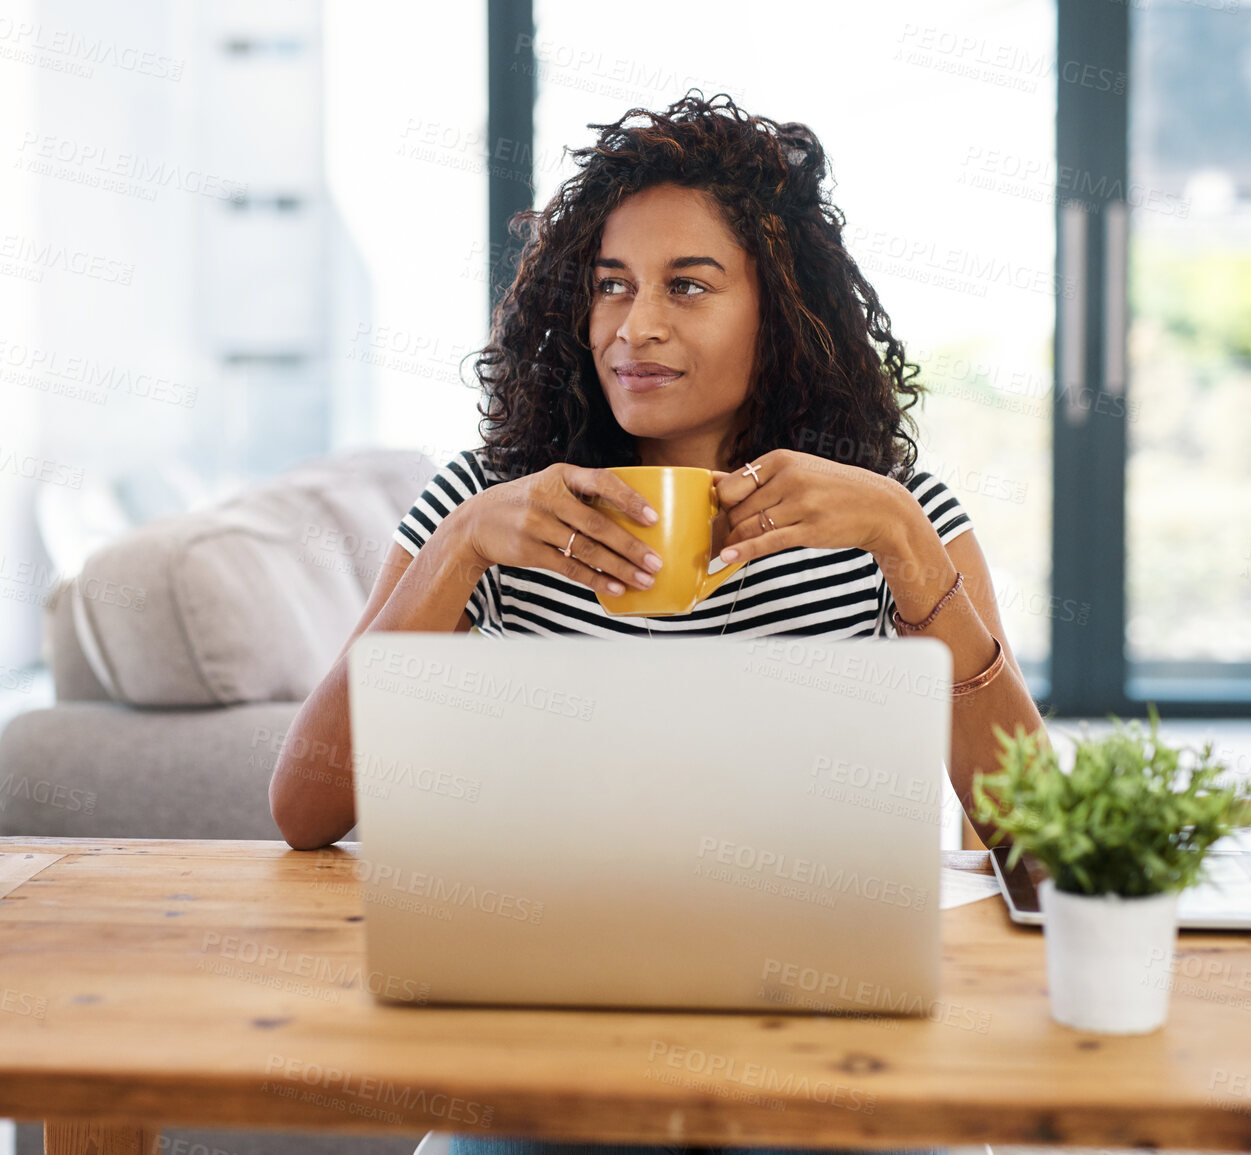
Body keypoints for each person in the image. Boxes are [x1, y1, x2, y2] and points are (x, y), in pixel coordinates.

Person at [268, 91, 1047, 1155]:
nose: (635, 327)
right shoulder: (489, 506)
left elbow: (1040, 852)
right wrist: (457, 551)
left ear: (780, 309)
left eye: (688, 286)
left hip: (822, 1057)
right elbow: (306, 809)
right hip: (539, 1057)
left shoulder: (894, 517)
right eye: (610, 288)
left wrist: (911, 553)